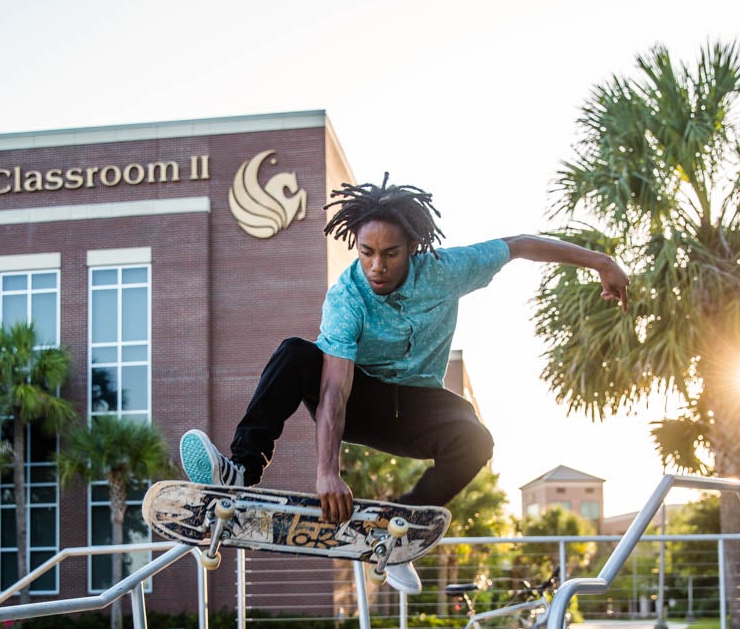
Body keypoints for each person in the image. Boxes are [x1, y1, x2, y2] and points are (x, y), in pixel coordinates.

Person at [179, 176, 629, 594]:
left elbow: (520, 245)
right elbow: (334, 389)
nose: (376, 266)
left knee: (476, 437)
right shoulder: (346, 297)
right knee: (295, 352)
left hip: (415, 404)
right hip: (359, 401)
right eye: (366, 252)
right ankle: (240, 471)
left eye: (390, 253)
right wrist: (326, 471)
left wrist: (601, 262)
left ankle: (401, 531)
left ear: (412, 247)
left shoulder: (447, 269)